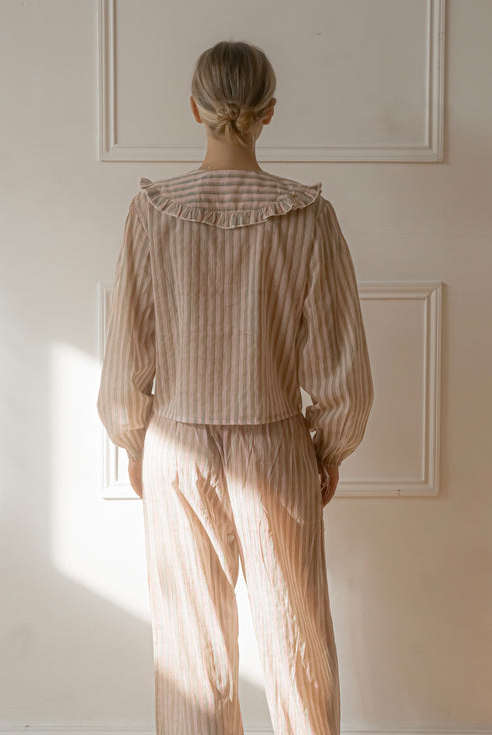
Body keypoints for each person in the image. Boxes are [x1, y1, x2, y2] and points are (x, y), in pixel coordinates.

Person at [97, 39, 373, 735]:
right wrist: (328, 449)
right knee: (297, 637)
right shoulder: (306, 216)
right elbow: (340, 365)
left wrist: (133, 438)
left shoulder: (153, 212)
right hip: (276, 446)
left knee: (190, 648)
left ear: (194, 109)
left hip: (176, 446)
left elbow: (127, 349)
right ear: (268, 112)